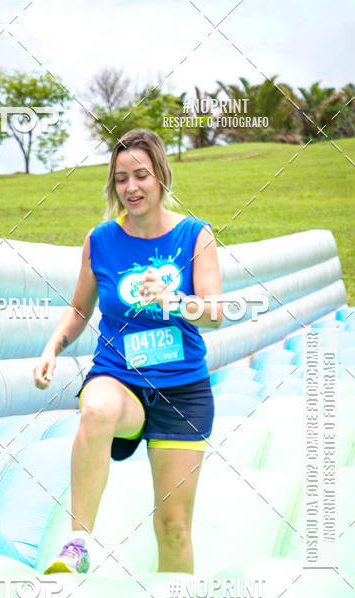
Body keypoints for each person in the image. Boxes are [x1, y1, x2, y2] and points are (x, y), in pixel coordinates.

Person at [33, 128, 223, 575]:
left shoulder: (195, 236)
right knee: (96, 409)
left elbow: (215, 313)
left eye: (141, 176)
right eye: (121, 179)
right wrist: (52, 346)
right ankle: (77, 542)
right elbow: (79, 309)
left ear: (161, 176)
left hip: (182, 392)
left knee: (173, 528)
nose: (131, 187)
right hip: (119, 379)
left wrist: (176, 301)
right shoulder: (100, 240)